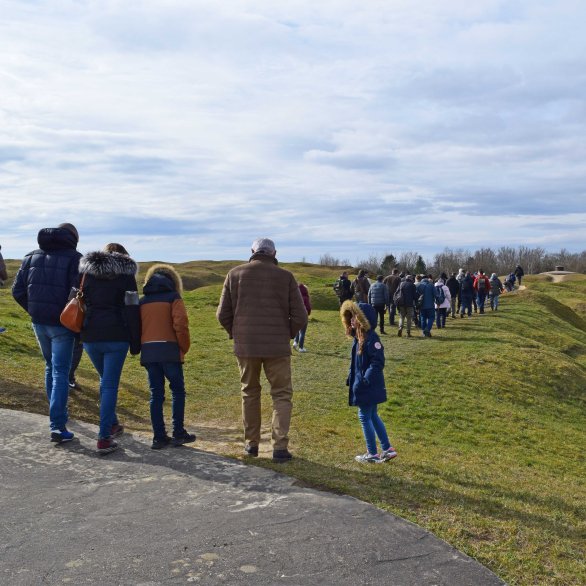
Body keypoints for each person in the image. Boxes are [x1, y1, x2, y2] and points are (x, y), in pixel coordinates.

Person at [216, 238, 307, 463]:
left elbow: (222, 314)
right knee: (282, 394)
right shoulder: (286, 277)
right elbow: (301, 316)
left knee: (250, 392)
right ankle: (280, 448)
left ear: (252, 252)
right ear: (274, 253)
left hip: (246, 346)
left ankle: (251, 444)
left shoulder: (234, 274)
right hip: (277, 347)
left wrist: (236, 333)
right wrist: (285, 334)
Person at [12, 223, 82, 443]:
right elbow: (78, 293)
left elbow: (17, 291)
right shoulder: (75, 258)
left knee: (50, 367)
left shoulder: (30, 257)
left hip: (39, 322)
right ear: (72, 238)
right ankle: (58, 425)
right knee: (61, 370)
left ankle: (57, 418)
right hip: (62, 324)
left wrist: (34, 309)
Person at [79, 243, 141, 455]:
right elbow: (132, 309)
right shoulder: (126, 275)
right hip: (117, 336)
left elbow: (74, 300)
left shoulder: (87, 273)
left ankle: (112, 424)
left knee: (105, 381)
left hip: (90, 336)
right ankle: (104, 437)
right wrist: (135, 341)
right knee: (109, 385)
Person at [139, 264, 196, 449]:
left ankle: (158, 436)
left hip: (148, 351)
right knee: (177, 391)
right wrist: (183, 347)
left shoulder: (142, 301)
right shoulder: (174, 298)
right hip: (170, 350)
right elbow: (181, 325)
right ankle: (178, 432)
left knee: (156, 394)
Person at [340, 300, 397, 464]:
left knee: (364, 416)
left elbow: (377, 362)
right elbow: (356, 363)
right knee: (372, 414)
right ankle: (387, 449)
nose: (352, 320)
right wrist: (351, 376)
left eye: (355, 317)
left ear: (363, 319)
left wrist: (364, 380)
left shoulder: (372, 338)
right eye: (350, 317)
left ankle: (372, 453)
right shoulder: (359, 338)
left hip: (368, 385)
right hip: (363, 383)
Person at [293, 282, 311, 352]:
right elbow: (308, 308)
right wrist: (308, 313)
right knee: (302, 332)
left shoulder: (295, 297)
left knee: (297, 330)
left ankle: (295, 343)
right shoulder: (306, 298)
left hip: (296, 316)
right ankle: (301, 348)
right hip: (303, 316)